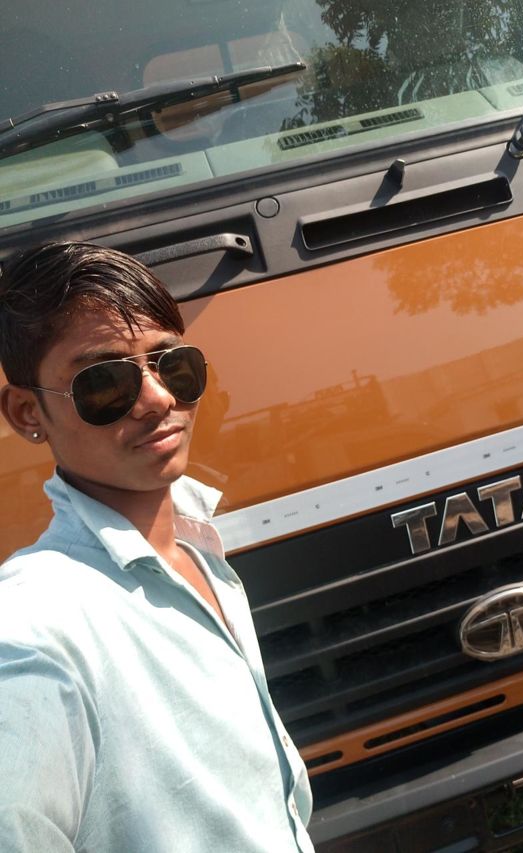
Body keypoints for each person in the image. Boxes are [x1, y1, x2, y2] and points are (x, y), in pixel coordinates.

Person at [0, 242, 314, 853]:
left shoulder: (198, 550)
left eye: (173, 364)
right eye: (104, 382)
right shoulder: (35, 628)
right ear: (26, 412)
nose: (160, 399)